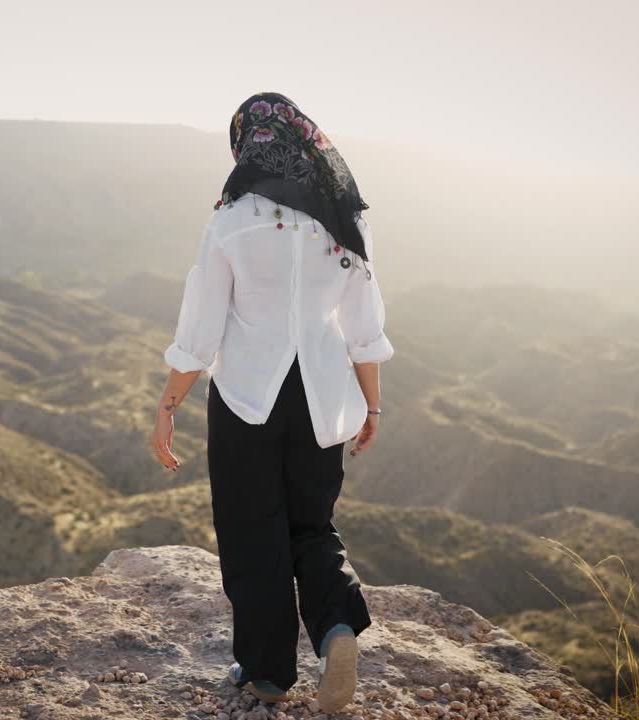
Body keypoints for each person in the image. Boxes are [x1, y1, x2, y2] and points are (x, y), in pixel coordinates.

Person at [149, 91, 393, 714]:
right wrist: (371, 406)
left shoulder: (231, 220)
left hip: (247, 400)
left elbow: (201, 330)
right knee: (312, 525)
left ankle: (266, 674)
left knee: (253, 531)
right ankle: (336, 627)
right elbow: (362, 325)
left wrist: (169, 404)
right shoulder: (346, 219)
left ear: (246, 145)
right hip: (323, 400)